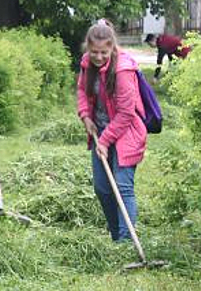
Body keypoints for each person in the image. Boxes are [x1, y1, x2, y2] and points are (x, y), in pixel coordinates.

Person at [78, 20, 148, 242]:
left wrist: (106, 141)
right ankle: (116, 234)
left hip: (126, 133)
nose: (98, 57)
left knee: (122, 187)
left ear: (112, 48)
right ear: (88, 48)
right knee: (102, 188)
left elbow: (127, 113)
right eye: (94, 52)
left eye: (103, 53)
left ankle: (126, 242)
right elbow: (82, 89)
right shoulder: (87, 62)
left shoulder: (123, 70)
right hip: (100, 131)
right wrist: (85, 116)